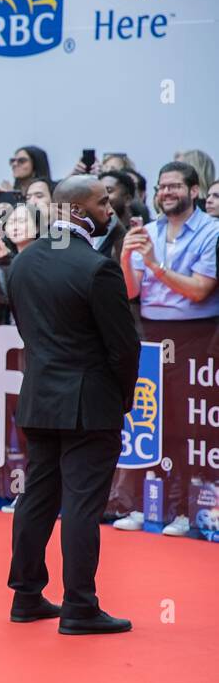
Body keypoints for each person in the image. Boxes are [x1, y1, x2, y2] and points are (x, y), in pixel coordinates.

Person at [7, 176, 140, 635]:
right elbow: (123, 348)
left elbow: (27, 330)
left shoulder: (23, 263)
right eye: (103, 201)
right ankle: (79, 606)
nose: (111, 207)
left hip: (40, 398)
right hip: (89, 403)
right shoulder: (96, 268)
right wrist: (122, 397)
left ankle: (26, 597)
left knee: (38, 497)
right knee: (82, 505)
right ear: (78, 212)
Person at [116, 161, 219, 536]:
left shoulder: (212, 231)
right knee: (148, 422)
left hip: (195, 337)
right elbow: (130, 291)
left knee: (184, 427)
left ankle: (183, 511)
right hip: (149, 334)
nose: (166, 193)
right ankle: (146, 506)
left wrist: (156, 267)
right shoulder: (150, 230)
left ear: (195, 191)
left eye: (175, 186)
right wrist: (127, 259)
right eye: (162, 187)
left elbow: (199, 290)